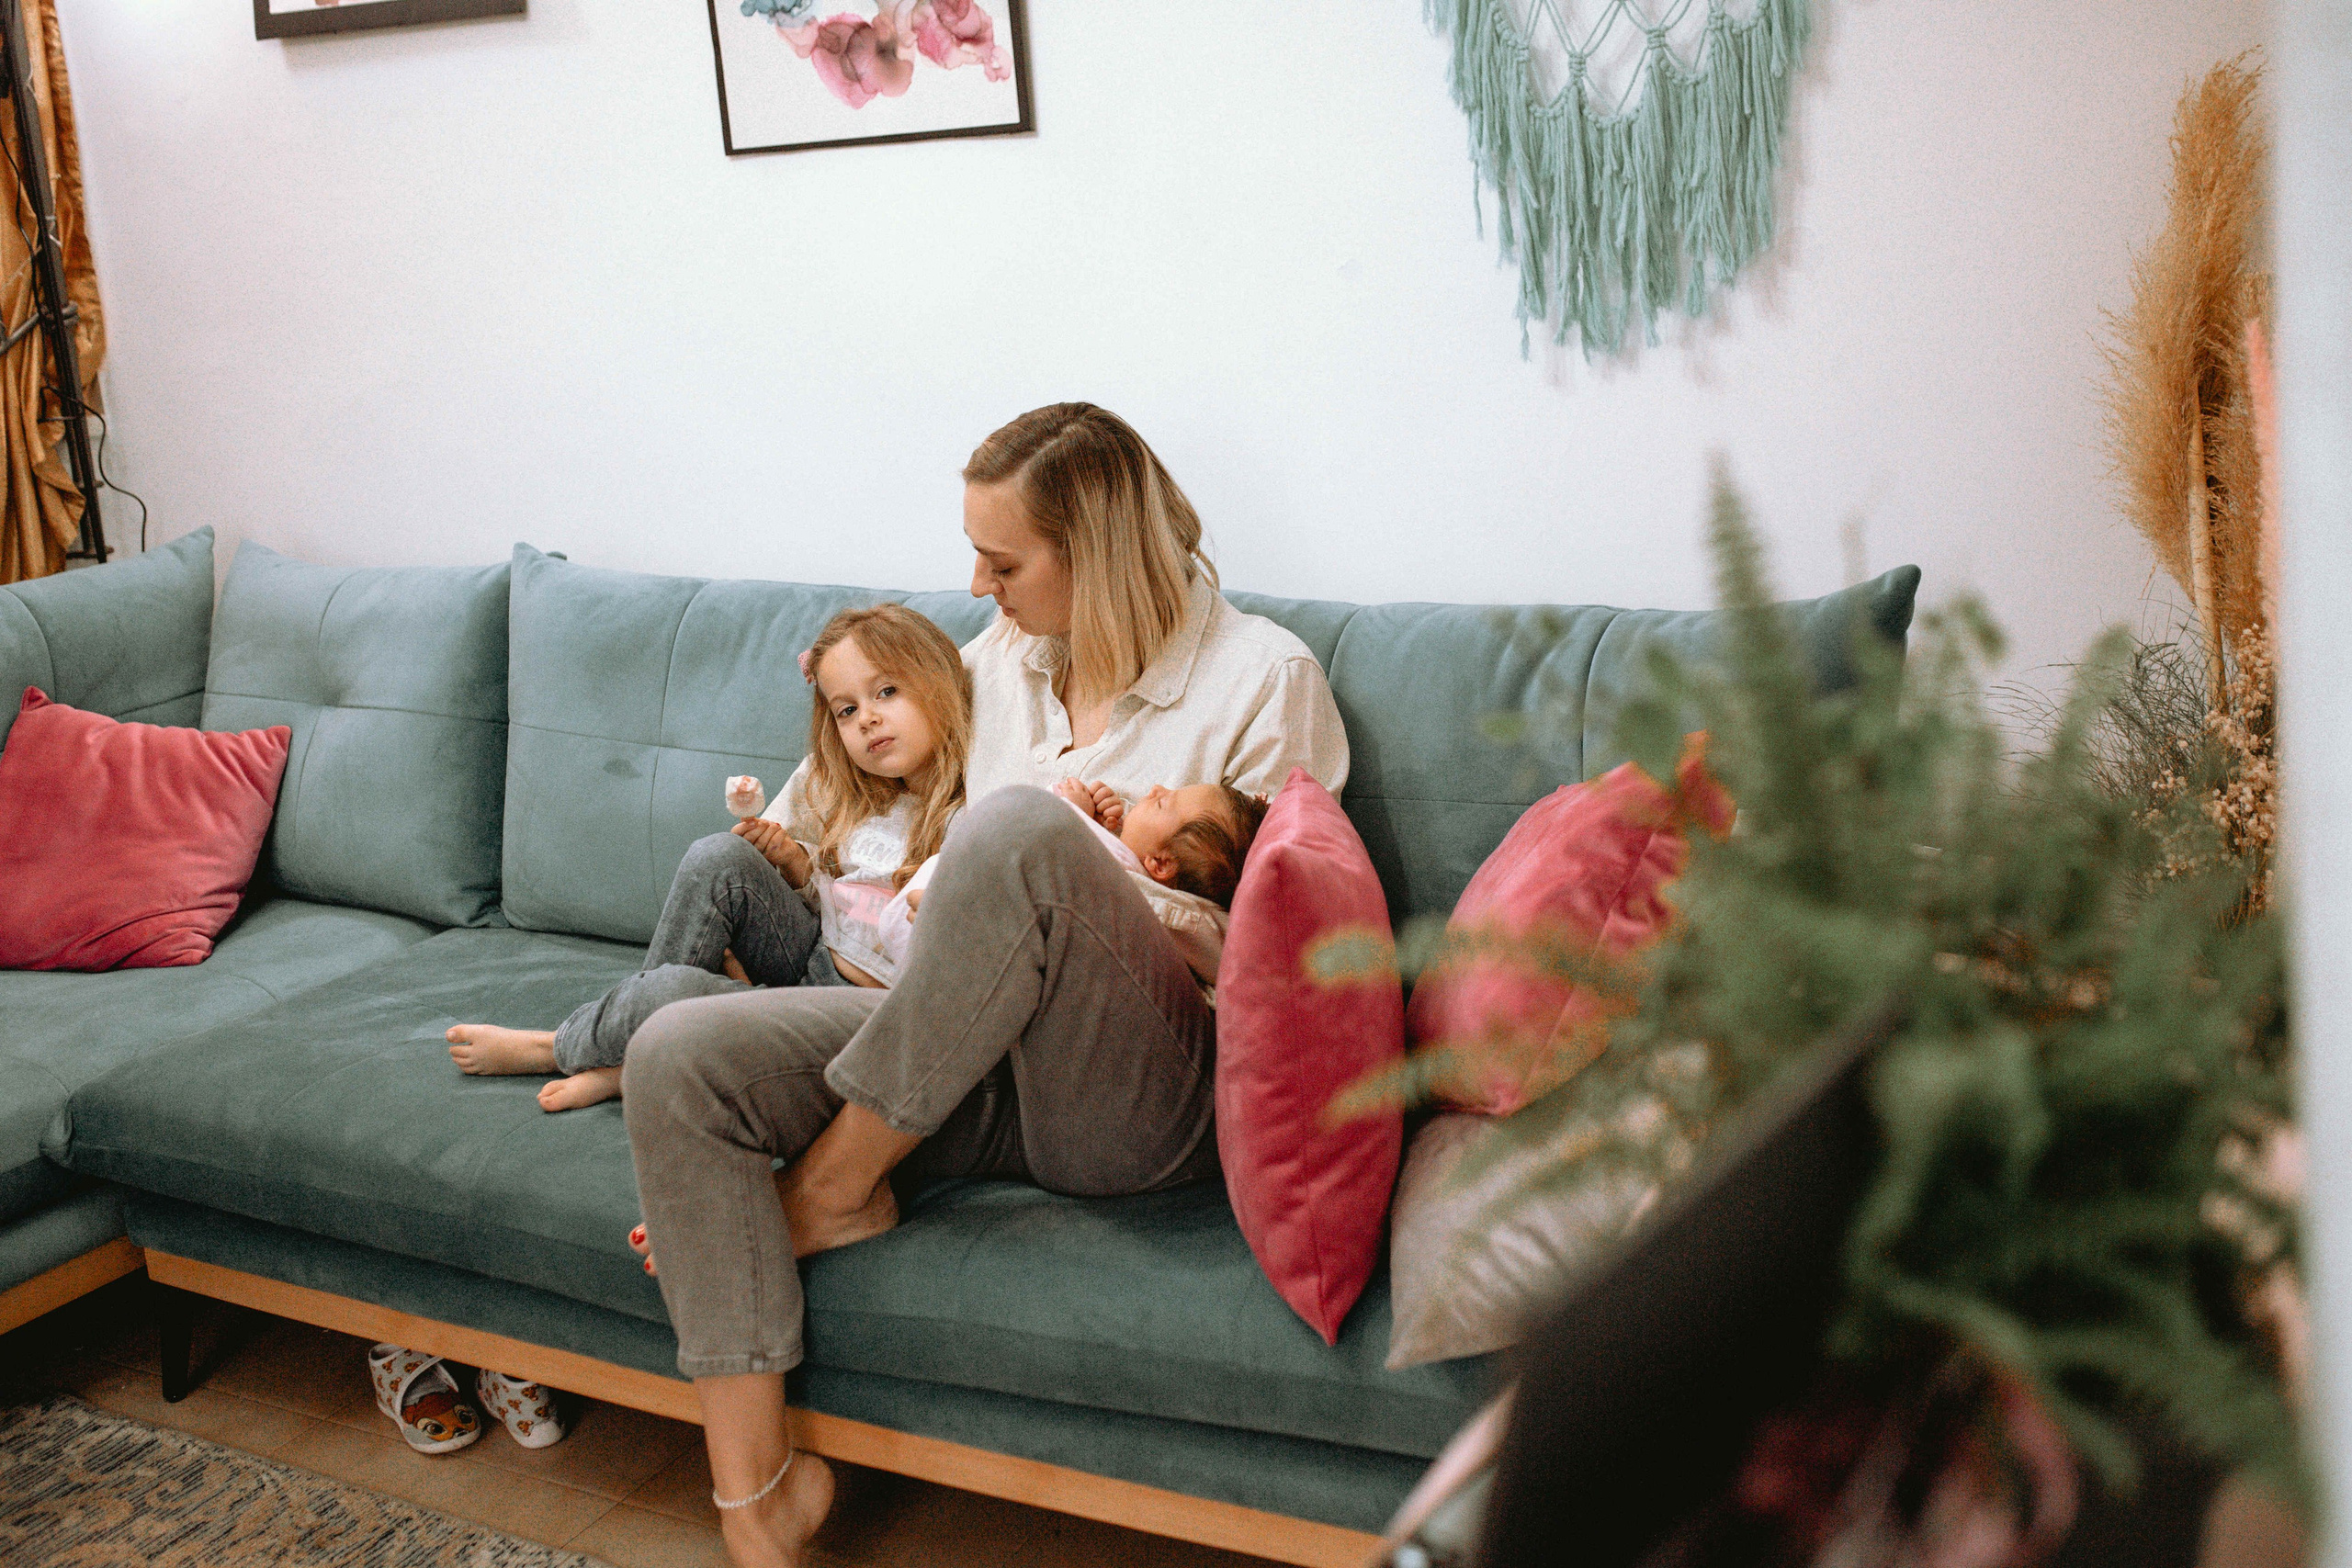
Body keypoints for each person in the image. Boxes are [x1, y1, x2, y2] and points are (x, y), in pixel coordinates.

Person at [619, 403, 1348, 1568]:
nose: (975, 584)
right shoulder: (996, 665)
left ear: (1096, 551)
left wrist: (1085, 867)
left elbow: (1276, 947)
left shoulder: (1264, 681)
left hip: (1130, 1099)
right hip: (962, 1064)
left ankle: (837, 1187)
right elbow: (822, 809)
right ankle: (759, 1503)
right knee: (679, 1052)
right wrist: (794, 843)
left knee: (1016, 828)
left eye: (1003, 561)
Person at [443, 603, 971, 1112]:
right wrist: (798, 867)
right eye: (847, 710)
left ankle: (559, 1049)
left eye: (887, 691)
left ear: (938, 681)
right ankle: (643, 1054)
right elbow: (842, 899)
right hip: (809, 955)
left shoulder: (979, 806)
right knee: (718, 854)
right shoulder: (865, 799)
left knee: (673, 990)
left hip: (857, 1013)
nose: (868, 719)